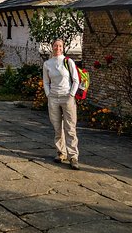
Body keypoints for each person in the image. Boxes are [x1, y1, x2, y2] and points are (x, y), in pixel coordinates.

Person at [42, 38, 81, 170]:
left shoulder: (68, 61)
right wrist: (48, 94)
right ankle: (61, 152)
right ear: (52, 47)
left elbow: (75, 80)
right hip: (53, 98)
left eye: (60, 46)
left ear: (63, 48)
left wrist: (71, 95)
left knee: (70, 128)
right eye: (55, 46)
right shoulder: (47, 64)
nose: (57, 48)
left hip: (67, 97)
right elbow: (46, 82)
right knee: (57, 127)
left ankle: (73, 156)